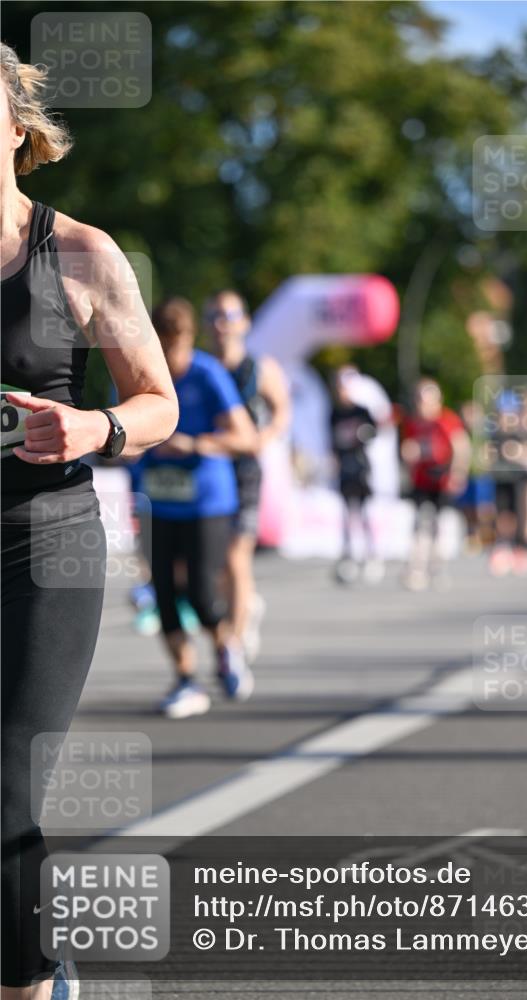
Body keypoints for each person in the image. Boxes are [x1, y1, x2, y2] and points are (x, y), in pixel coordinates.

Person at [0, 43, 178, 1000]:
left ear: (17, 125)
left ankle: (32, 982)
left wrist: (96, 427)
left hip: (43, 547)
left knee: (4, 790)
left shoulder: (77, 252)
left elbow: (159, 402)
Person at [145, 297, 258, 719]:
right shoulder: (139, 373)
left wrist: (194, 444)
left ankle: (228, 645)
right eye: (163, 347)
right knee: (162, 597)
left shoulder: (208, 374)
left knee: (202, 594)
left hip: (206, 503)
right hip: (158, 502)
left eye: (177, 347)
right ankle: (186, 680)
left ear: (190, 339)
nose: (172, 358)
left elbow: (245, 437)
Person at [203, 290, 290, 661]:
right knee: (215, 564)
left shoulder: (260, 368)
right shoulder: (201, 368)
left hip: (244, 471)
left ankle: (233, 647)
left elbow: (282, 410)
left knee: (237, 556)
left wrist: (263, 439)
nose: (221, 325)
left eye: (228, 316)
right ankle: (245, 606)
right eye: (213, 316)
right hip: (209, 471)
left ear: (245, 322)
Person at [401, 378, 470, 590]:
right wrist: (408, 458)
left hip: (442, 479)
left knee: (440, 524)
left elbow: (461, 447)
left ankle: (437, 566)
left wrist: (457, 473)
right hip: (421, 480)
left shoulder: (447, 420)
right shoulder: (413, 423)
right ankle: (417, 568)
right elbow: (408, 450)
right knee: (420, 524)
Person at [329, 366, 380, 583]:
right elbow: (332, 442)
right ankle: (348, 555)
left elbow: (373, 432)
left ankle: (371, 554)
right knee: (346, 514)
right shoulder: (334, 413)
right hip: (344, 469)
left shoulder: (361, 411)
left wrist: (360, 434)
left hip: (360, 467)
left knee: (364, 512)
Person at [486, 389, 527, 575]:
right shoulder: (495, 434)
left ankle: (521, 548)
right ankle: (503, 546)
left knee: (521, 514)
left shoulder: (524, 433)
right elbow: (489, 455)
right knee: (503, 513)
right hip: (501, 479)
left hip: (520, 480)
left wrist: (519, 453)